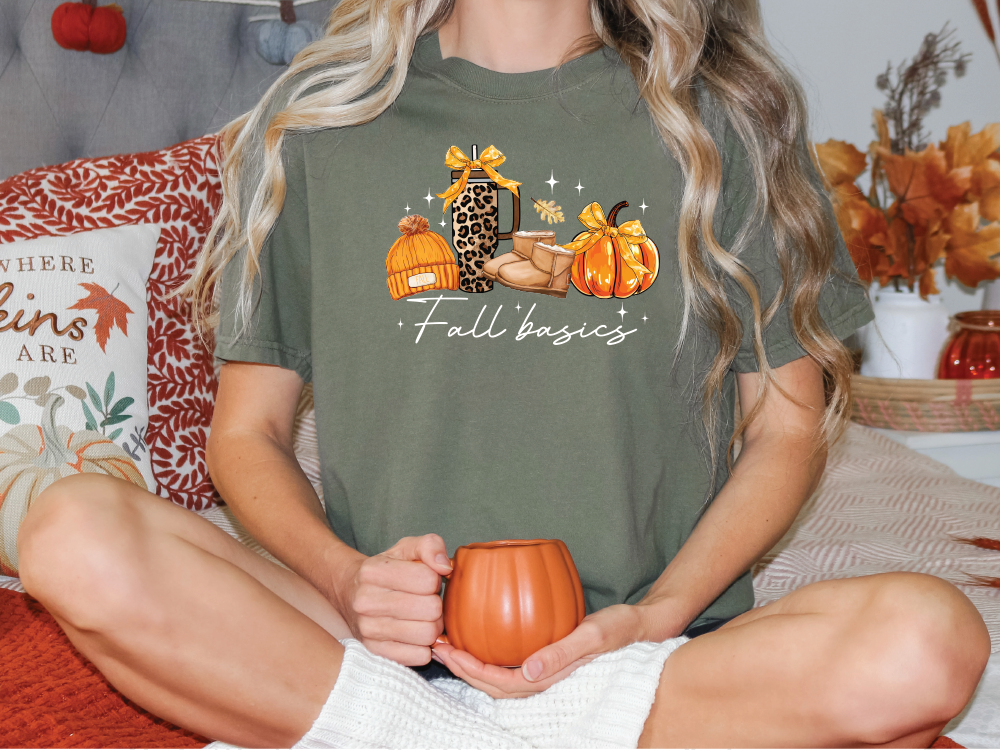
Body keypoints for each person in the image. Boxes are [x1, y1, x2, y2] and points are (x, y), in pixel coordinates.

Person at [17, 0, 990, 747]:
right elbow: (247, 434)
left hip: (644, 650)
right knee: (69, 527)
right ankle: (434, 726)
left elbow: (784, 427)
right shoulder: (311, 126)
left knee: (926, 640)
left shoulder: (729, 123)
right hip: (370, 640)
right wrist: (348, 580)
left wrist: (653, 616)